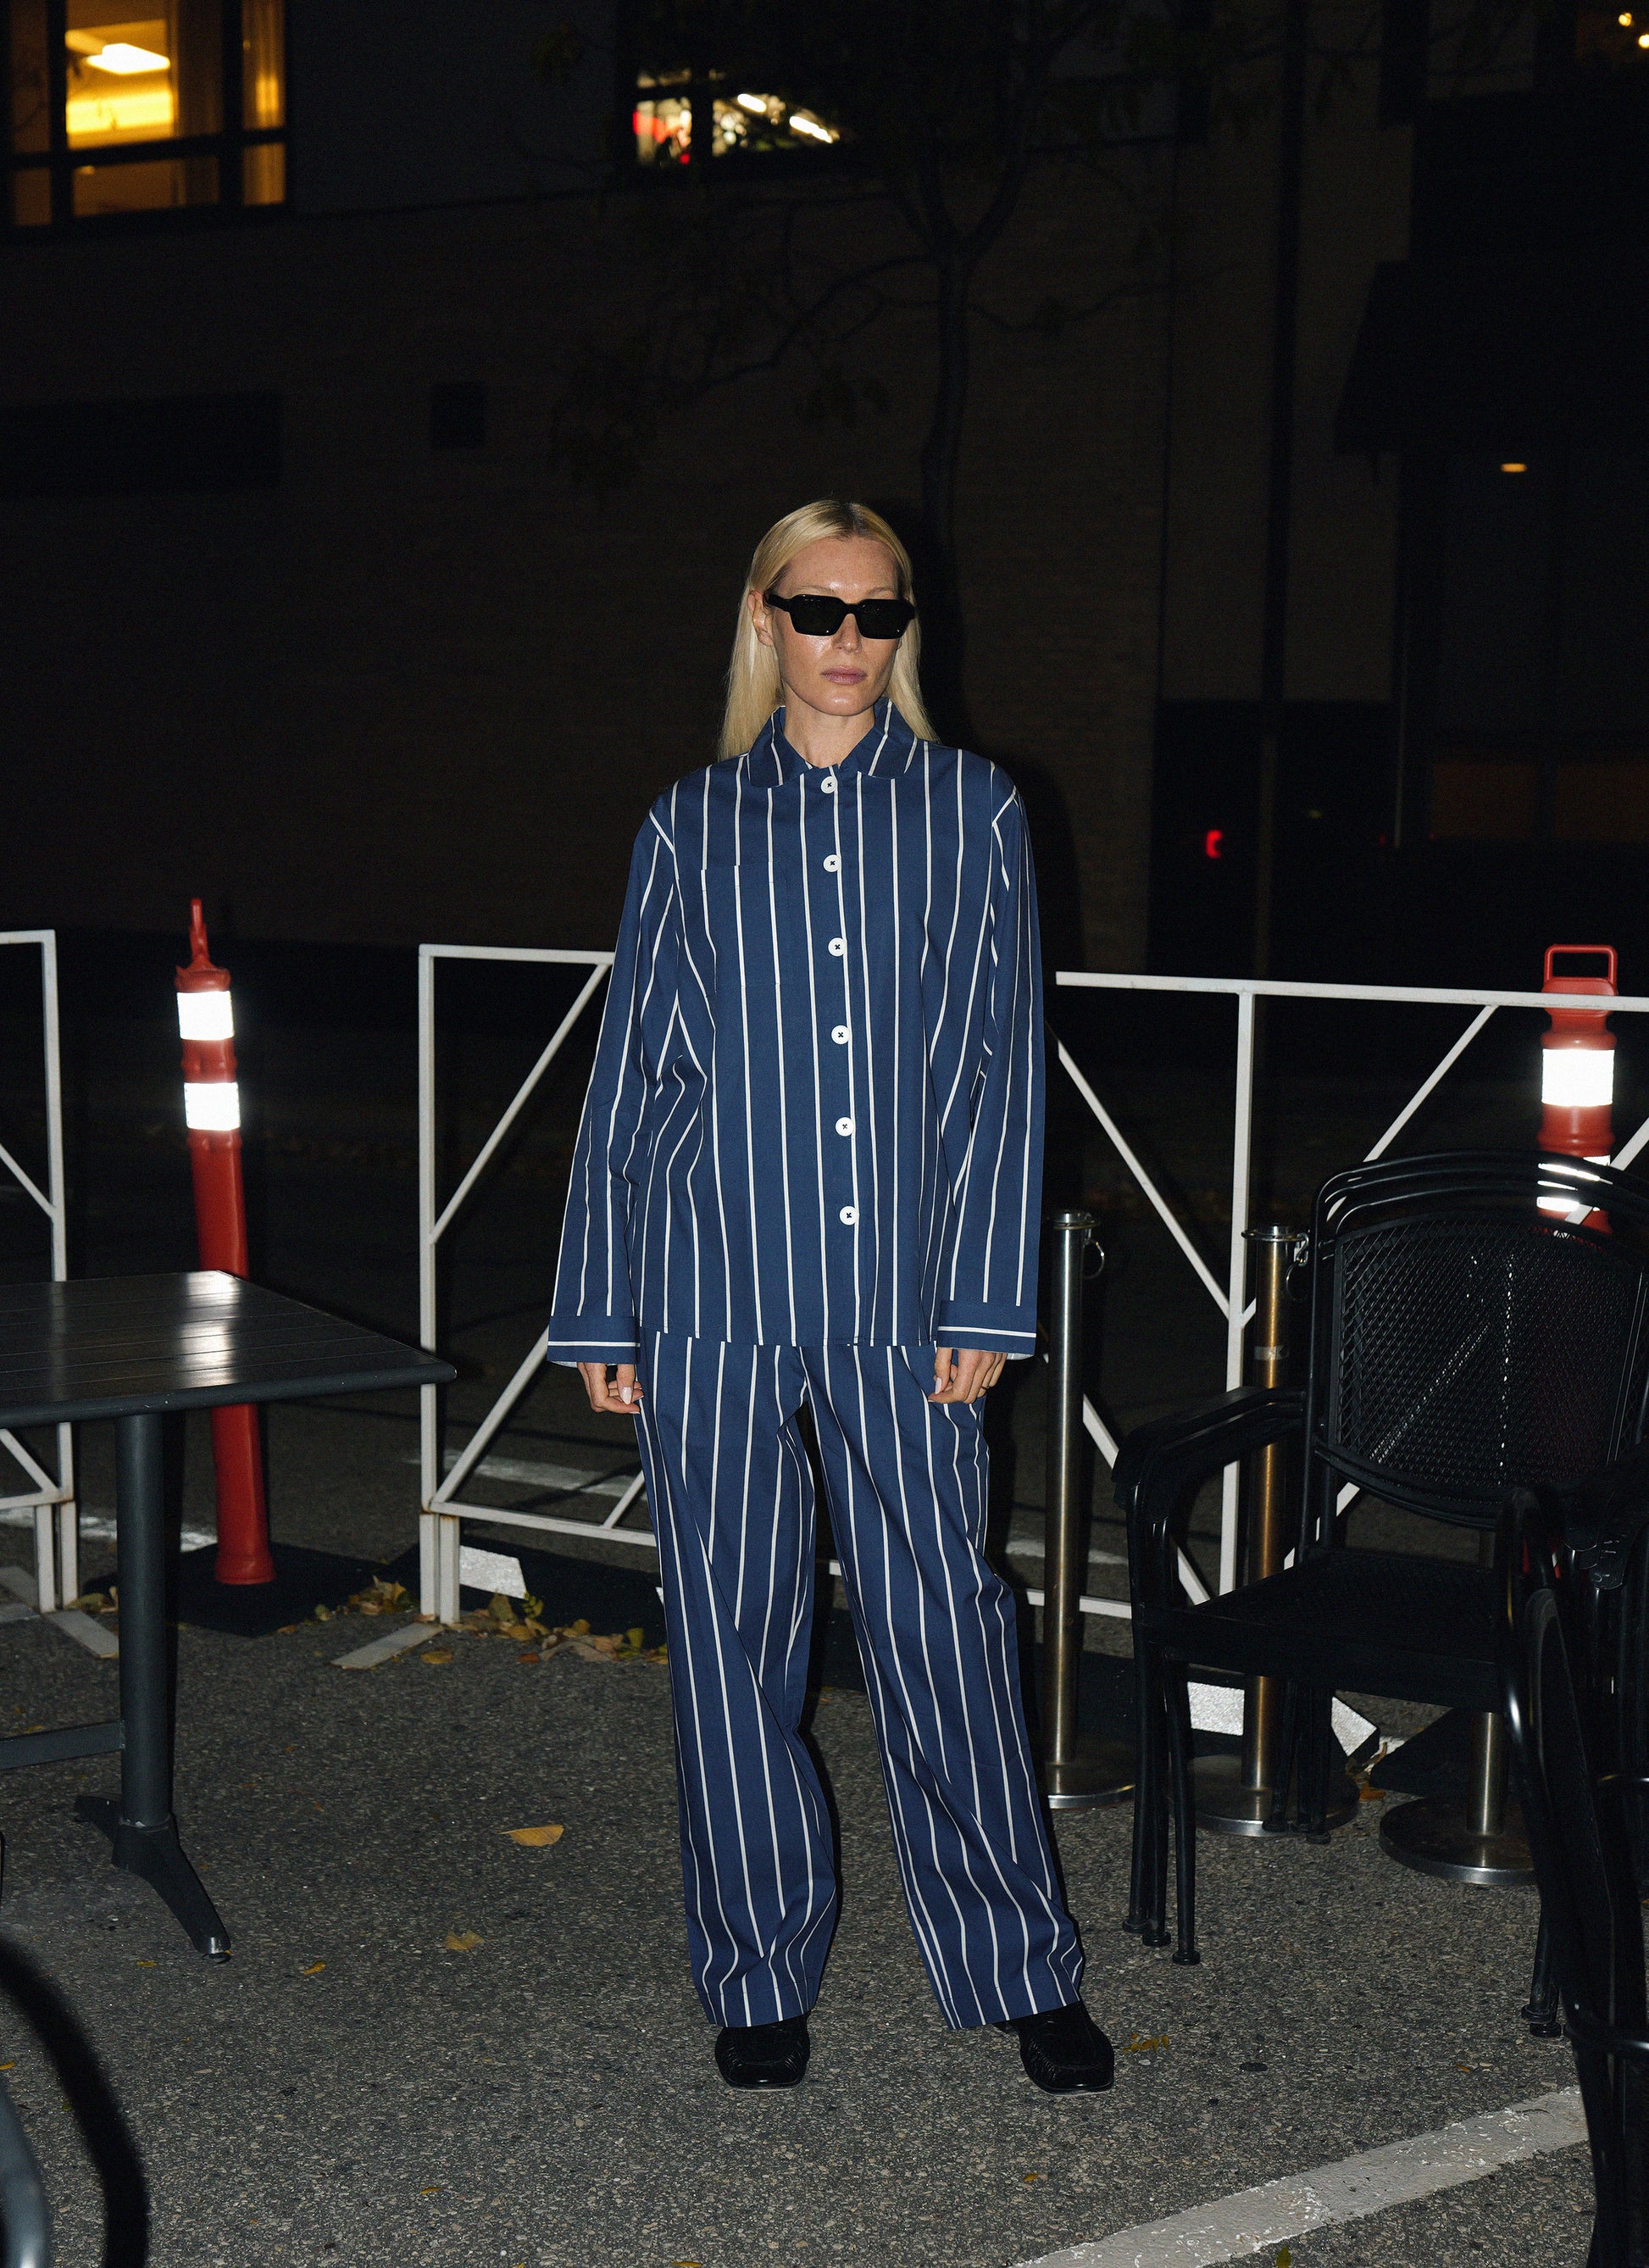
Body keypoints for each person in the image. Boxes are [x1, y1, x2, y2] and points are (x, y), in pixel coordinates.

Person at [547, 498, 1112, 2096]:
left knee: (945, 1625)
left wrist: (986, 1300)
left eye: (877, 612)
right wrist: (600, 1304)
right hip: (710, 1288)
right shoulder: (691, 823)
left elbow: (1000, 1067)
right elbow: (638, 1068)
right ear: (762, 619)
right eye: (817, 610)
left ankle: (1016, 1965)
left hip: (903, 1297)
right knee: (731, 1644)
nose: (848, 641)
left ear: (905, 627)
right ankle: (754, 1971)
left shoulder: (974, 810)